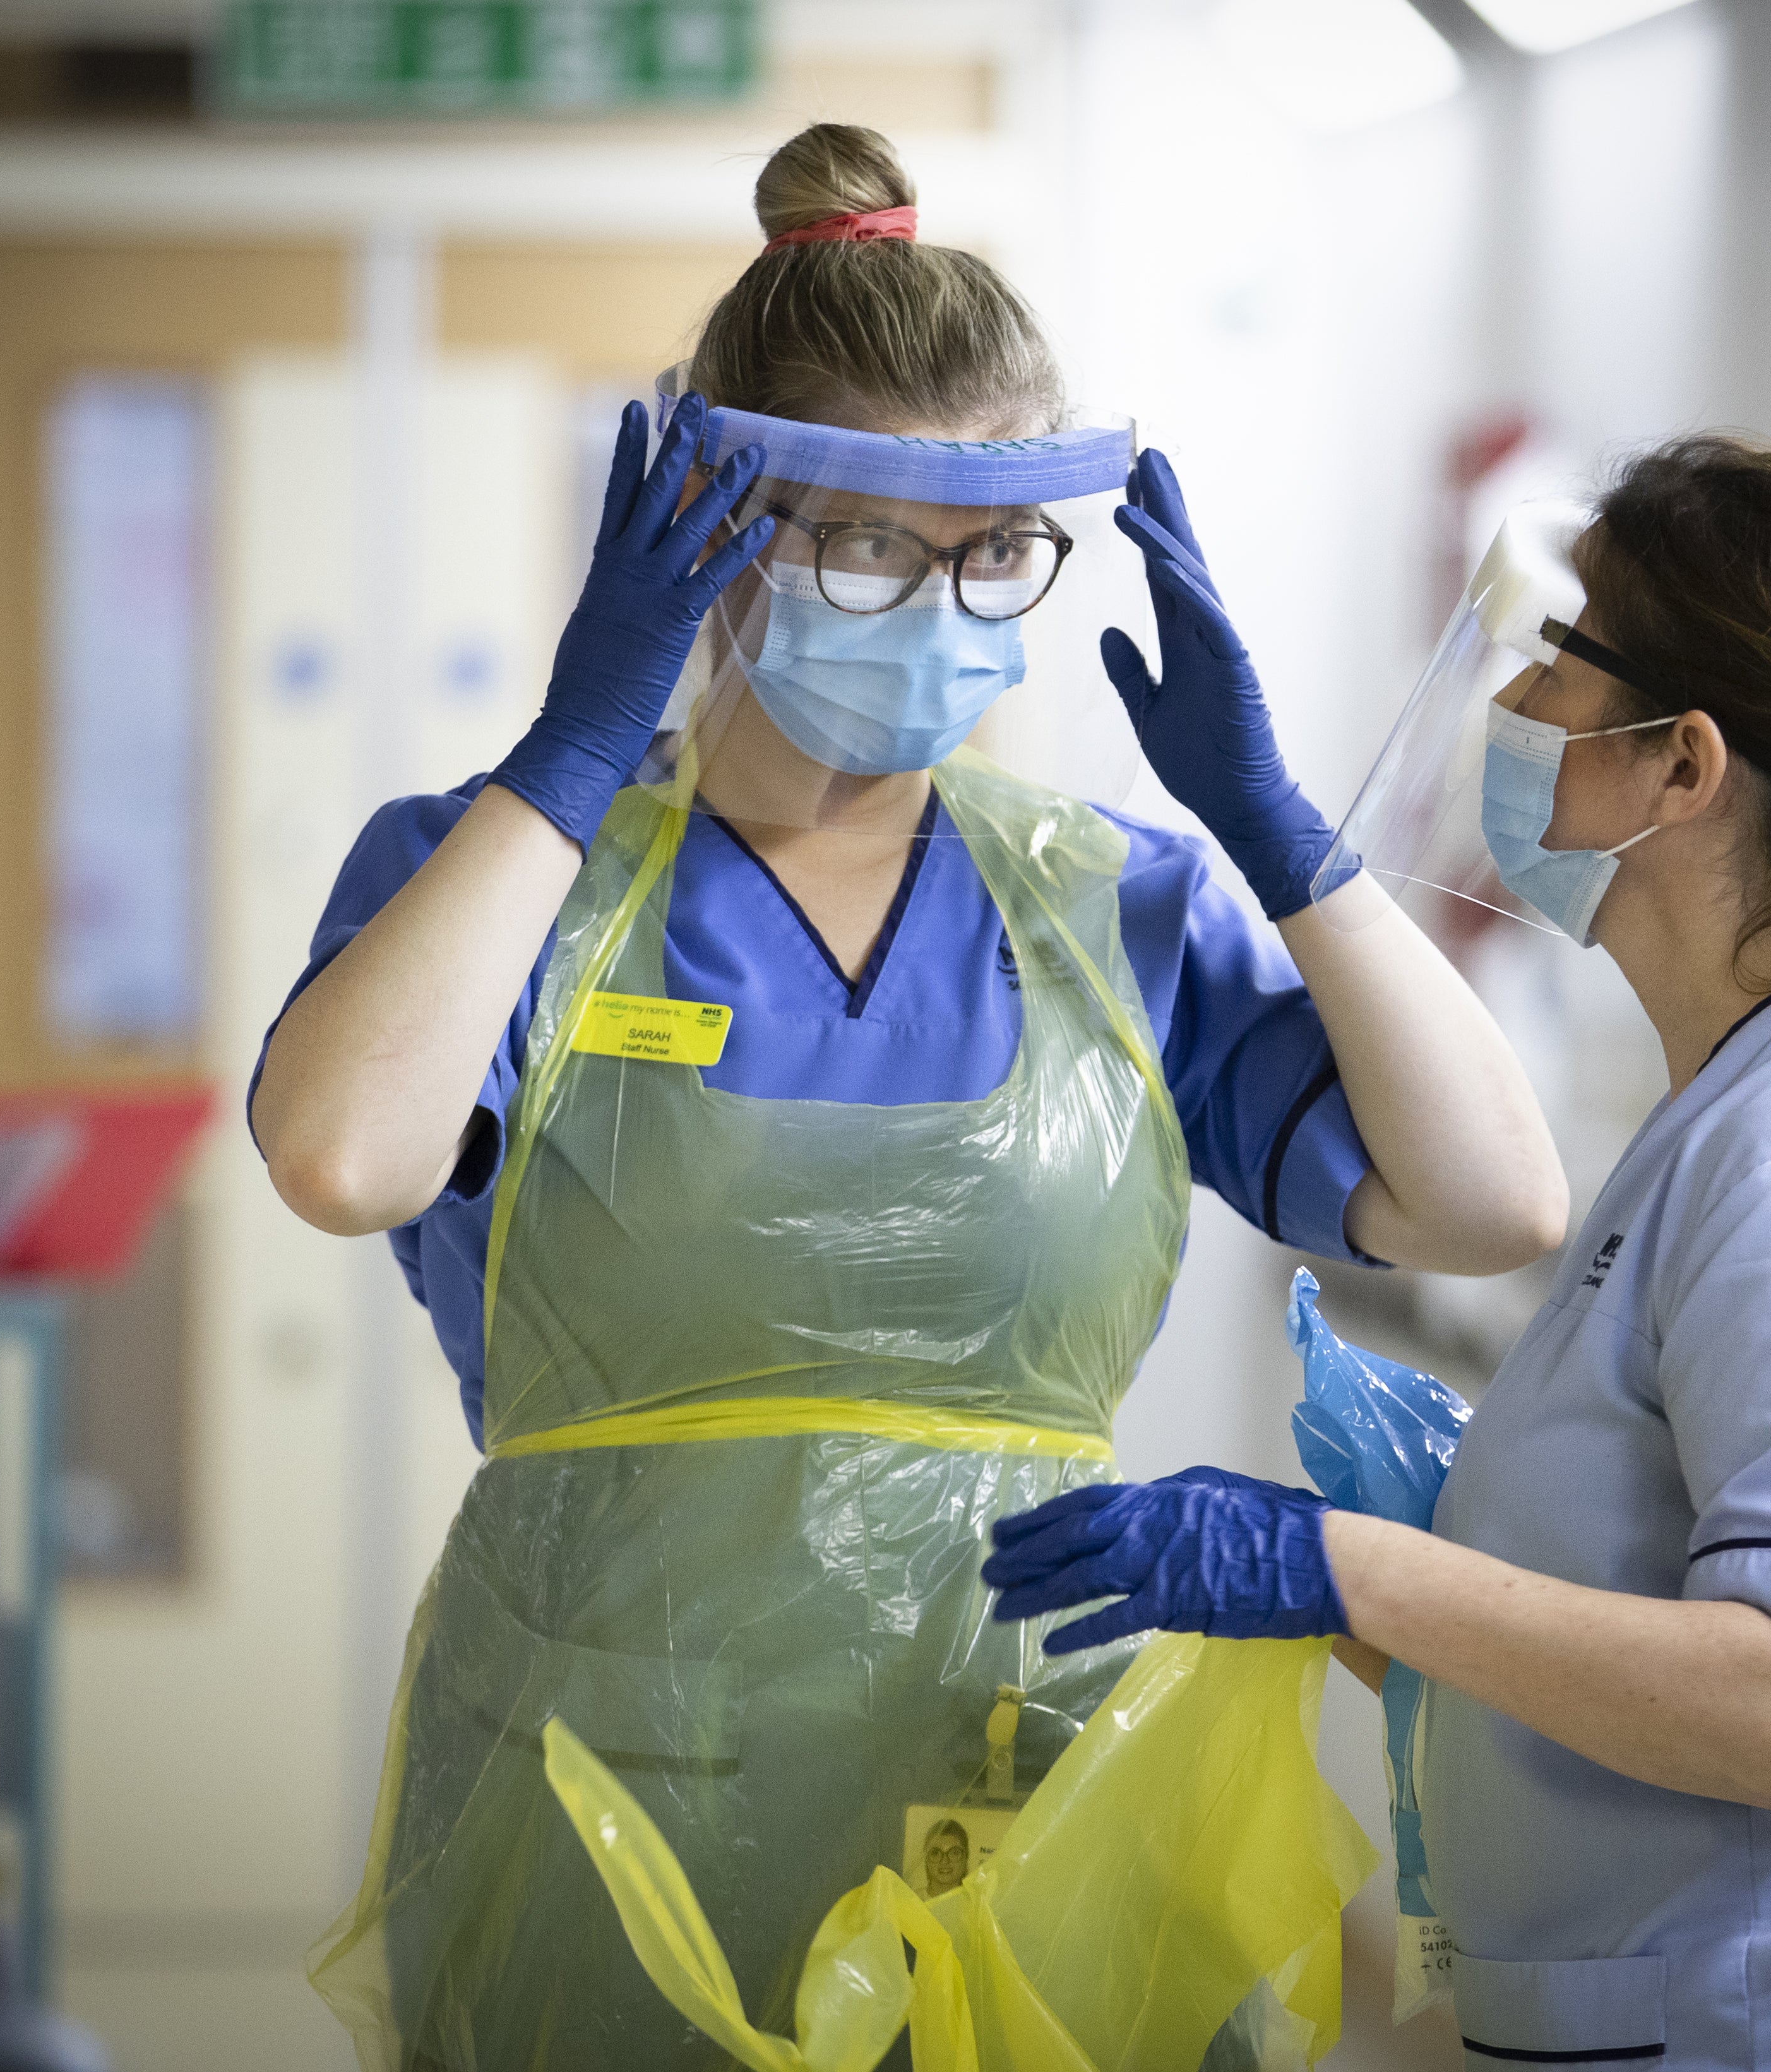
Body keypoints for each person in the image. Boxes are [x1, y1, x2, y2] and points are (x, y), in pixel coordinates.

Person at [251, 123, 1565, 2067]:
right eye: (868, 541)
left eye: (993, 551)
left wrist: (1284, 838)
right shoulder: (504, 879)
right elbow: (343, 1154)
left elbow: (1493, 1203)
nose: (940, 602)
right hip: (612, 1821)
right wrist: (583, 739)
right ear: (709, 526)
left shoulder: (1110, 901)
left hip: (1034, 1812)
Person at [984, 435, 1771, 2071]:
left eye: (1557, 655)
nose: (1517, 701)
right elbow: (1640, 1634)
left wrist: (1344, 1566)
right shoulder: (1741, 1113)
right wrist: (1353, 1574)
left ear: (1682, 766)